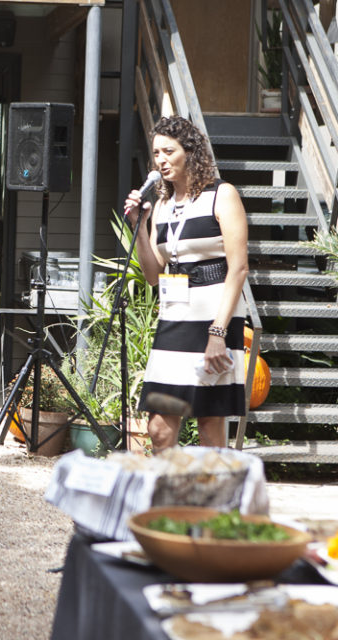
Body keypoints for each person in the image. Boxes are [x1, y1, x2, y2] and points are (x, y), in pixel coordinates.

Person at [124, 115, 248, 451]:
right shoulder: (162, 205)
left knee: (209, 422)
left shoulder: (221, 195)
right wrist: (139, 224)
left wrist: (218, 333)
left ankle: (210, 501)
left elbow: (238, 269)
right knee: (158, 427)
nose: (160, 160)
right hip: (174, 318)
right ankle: (170, 496)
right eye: (156, 153)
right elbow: (153, 274)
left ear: (189, 152)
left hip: (214, 320)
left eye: (168, 151)